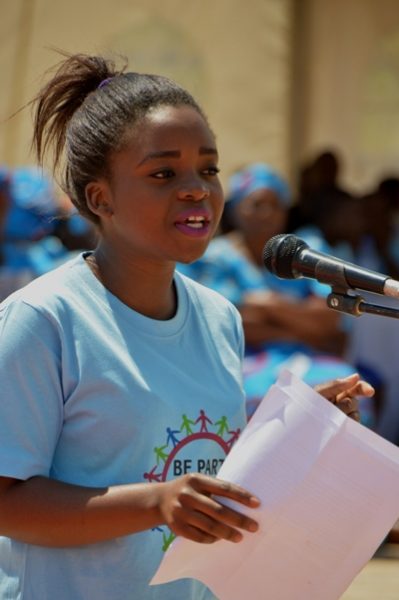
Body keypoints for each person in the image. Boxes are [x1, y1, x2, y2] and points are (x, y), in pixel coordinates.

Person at [0, 53, 373, 600]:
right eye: (163, 173)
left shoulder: (219, 317)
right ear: (99, 197)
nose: (197, 188)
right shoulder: (43, 321)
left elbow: (194, 459)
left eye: (210, 169)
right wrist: (154, 502)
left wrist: (293, 433)